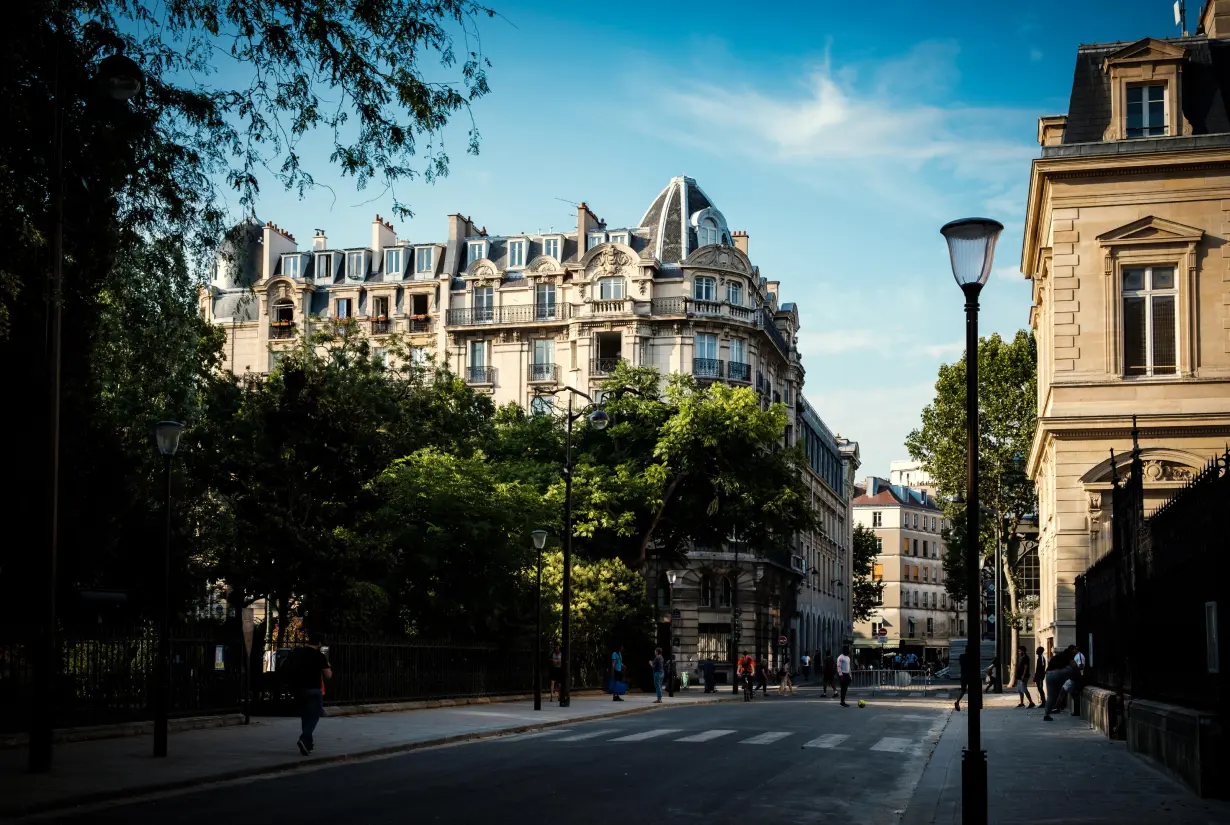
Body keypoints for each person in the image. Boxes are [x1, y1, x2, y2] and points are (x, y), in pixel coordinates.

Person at [283, 631, 332, 755]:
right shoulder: (319, 656)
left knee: (305, 715)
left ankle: (308, 744)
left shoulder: (297, 652)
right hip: (314, 689)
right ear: (319, 643)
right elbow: (328, 675)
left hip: (298, 689)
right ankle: (304, 738)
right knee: (314, 716)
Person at [1042, 649, 1075, 721]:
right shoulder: (1066, 659)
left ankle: (1046, 714)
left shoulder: (1055, 658)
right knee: (1071, 670)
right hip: (1057, 673)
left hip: (1049, 675)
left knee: (1050, 696)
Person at [1067, 645, 1086, 716]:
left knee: (1075, 692)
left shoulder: (1080, 656)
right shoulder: (1076, 656)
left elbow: (1081, 666)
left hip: (1079, 676)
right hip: (1075, 676)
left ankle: (1077, 711)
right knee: (1073, 692)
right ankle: (1076, 710)